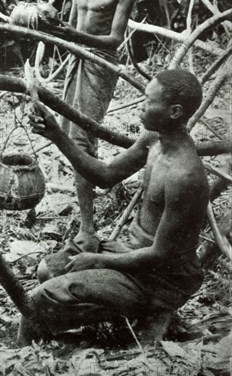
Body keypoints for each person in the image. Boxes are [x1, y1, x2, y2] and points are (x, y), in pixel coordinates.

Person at [18, 70, 209, 345]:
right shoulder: (154, 140)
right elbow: (104, 175)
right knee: (47, 270)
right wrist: (56, 134)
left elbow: (161, 254)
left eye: (148, 101)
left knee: (38, 301)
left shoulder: (185, 176)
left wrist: (99, 260)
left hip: (160, 281)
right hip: (134, 256)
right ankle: (115, 317)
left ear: (175, 111)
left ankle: (151, 311)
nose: (140, 106)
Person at [59, 0, 136, 253]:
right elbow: (70, 27)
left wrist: (73, 37)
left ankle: (88, 228)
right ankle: (88, 202)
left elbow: (114, 39)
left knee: (82, 138)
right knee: (67, 132)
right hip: (76, 61)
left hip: (100, 65)